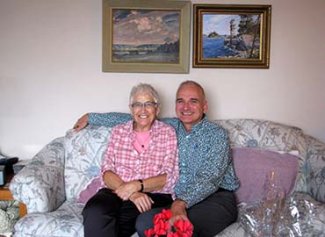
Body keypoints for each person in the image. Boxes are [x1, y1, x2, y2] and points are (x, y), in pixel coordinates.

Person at [75, 81, 239, 236]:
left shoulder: (217, 135)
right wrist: (91, 117)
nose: (186, 107)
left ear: (205, 106)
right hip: (177, 200)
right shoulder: (173, 126)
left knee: (179, 227)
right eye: (180, 101)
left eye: (193, 101)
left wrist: (180, 203)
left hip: (214, 197)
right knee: (145, 222)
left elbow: (209, 178)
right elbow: (136, 118)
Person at [81, 83, 179, 237]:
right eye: (137, 105)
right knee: (94, 210)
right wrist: (131, 193)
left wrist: (137, 186)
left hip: (153, 194)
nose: (143, 110)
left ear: (157, 109)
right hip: (115, 190)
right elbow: (106, 171)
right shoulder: (118, 131)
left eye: (148, 104)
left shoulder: (168, 132)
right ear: (131, 109)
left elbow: (169, 177)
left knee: (122, 219)